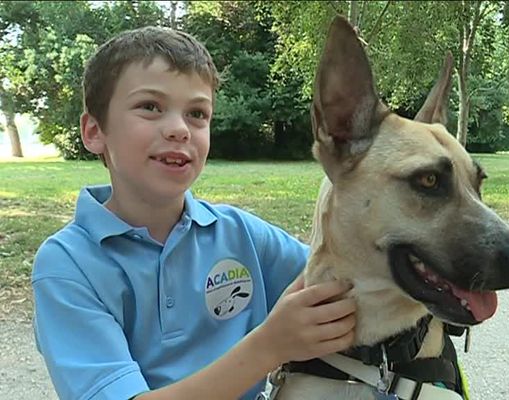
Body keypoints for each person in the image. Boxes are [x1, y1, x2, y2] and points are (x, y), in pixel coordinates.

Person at [31, 26, 356, 400]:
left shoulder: (240, 234)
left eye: (197, 113)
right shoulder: (68, 264)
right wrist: (270, 346)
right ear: (94, 131)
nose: (179, 129)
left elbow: (341, 288)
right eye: (150, 107)